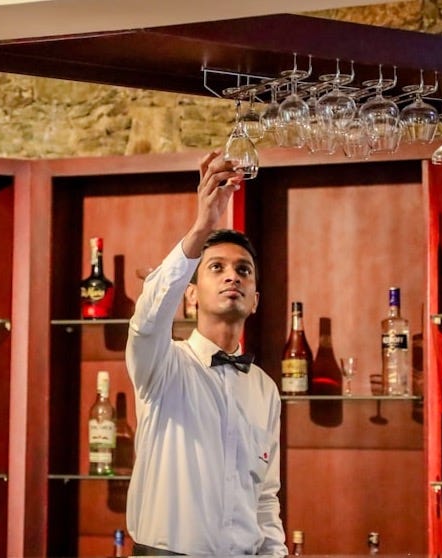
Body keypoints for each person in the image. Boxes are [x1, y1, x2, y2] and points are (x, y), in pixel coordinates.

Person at [125, 149, 286, 556]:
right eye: (216, 267)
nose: (233, 275)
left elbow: (265, 497)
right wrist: (203, 227)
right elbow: (147, 319)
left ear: (255, 301)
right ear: (191, 295)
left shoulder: (265, 389)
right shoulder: (163, 365)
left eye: (243, 270)